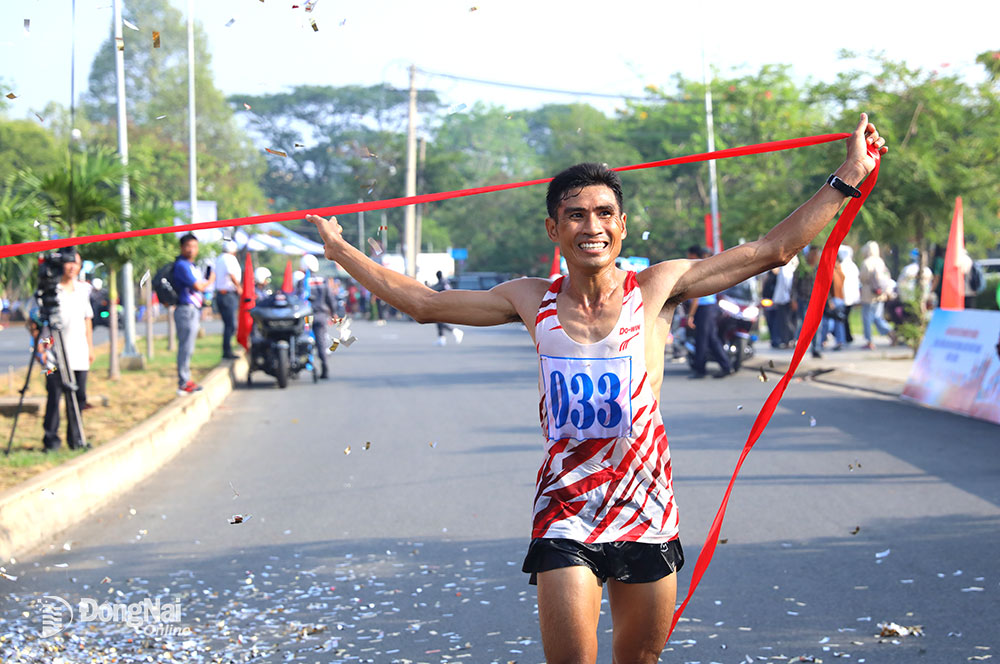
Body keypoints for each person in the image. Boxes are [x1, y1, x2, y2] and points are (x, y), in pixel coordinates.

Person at [307, 114, 886, 663]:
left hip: (647, 508)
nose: (593, 227)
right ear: (553, 228)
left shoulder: (659, 286)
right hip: (567, 510)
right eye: (576, 215)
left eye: (605, 213)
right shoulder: (530, 299)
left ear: (622, 224)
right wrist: (341, 251)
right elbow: (424, 303)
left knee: (639, 658)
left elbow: (772, 250)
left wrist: (850, 176)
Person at [40, 248, 94, 451]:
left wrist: (90, 347)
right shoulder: (51, 291)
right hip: (53, 358)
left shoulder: (83, 290)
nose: (72, 266)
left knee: (79, 398)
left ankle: (76, 439)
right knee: (53, 397)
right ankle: (50, 441)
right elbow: (42, 324)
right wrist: (43, 349)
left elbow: (87, 320)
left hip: (79, 353)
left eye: (76, 262)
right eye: (69, 262)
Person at [172, 233, 214, 396]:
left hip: (192, 309)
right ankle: (183, 382)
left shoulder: (191, 265)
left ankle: (186, 380)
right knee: (185, 347)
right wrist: (211, 280)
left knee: (189, 348)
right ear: (182, 248)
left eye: (194, 246)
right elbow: (199, 286)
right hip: (185, 309)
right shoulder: (182, 265)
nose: (192, 250)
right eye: (188, 246)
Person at [685, 245, 732, 378]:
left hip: (704, 308)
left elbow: (696, 297)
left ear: (694, 255)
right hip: (711, 308)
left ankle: (700, 370)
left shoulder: (697, 269)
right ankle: (726, 366)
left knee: (702, 339)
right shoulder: (706, 268)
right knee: (712, 339)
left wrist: (691, 315)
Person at [297, 253, 336, 379]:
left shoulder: (302, 282)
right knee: (321, 342)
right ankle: (324, 365)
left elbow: (297, 300)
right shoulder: (323, 280)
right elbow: (330, 298)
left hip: (307, 317)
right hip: (321, 315)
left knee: (303, 340)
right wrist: (333, 312)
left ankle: (300, 366)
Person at [858, 240, 896, 349]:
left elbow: (862, 278)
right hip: (880, 294)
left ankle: (869, 341)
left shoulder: (866, 262)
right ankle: (890, 332)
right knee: (877, 317)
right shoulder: (881, 262)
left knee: (867, 319)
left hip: (868, 295)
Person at [792, 246, 825, 358]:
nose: (815, 257)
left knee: (816, 326)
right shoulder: (802, 269)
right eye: (813, 254)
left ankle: (816, 348)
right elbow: (794, 285)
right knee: (803, 324)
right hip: (803, 299)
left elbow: (823, 285)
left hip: (815, 301)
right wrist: (794, 299)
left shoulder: (819, 268)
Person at [214, 240, 242, 359]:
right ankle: (227, 351)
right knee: (230, 325)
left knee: (228, 325)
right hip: (228, 295)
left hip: (221, 294)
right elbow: (232, 274)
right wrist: (239, 287)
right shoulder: (229, 259)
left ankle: (227, 350)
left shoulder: (220, 258)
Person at [431, 271, 464, 346]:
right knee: (438, 321)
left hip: (443, 305)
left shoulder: (442, 283)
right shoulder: (444, 282)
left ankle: (454, 331)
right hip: (443, 304)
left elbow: (436, 289)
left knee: (439, 321)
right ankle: (441, 338)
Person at [839, 245, 860, 345]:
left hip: (845, 296)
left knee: (843, 318)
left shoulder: (843, 267)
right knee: (844, 318)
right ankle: (846, 336)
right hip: (849, 297)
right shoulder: (852, 266)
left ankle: (846, 337)